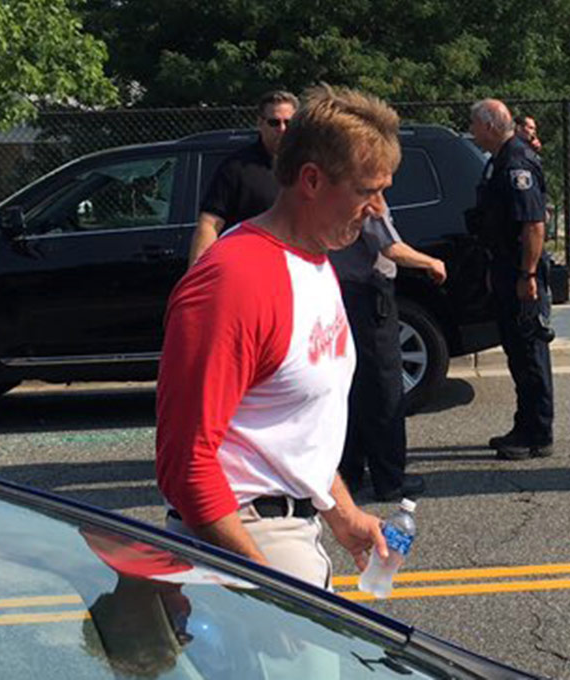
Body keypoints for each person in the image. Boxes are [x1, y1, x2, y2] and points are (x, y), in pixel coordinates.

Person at [154, 86, 392, 589]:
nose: (378, 207)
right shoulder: (234, 280)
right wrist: (268, 589)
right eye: (367, 189)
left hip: (286, 533)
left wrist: (341, 514)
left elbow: (290, 423)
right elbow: (186, 463)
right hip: (247, 542)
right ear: (312, 180)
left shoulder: (316, 259)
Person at [331, 205, 447, 503]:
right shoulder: (367, 202)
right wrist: (430, 262)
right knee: (385, 390)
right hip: (369, 297)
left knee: (353, 387)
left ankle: (349, 473)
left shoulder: (335, 191)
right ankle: (390, 480)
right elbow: (391, 248)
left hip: (343, 293)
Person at [467, 97, 554, 461]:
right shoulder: (500, 160)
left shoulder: (515, 162)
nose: (471, 131)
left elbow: (534, 224)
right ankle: (525, 424)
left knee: (530, 351)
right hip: (506, 268)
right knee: (517, 353)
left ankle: (538, 432)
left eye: (473, 124)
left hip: (522, 273)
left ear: (489, 125)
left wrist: (527, 274)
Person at [188, 90, 298, 265]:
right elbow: (210, 223)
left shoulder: (308, 167)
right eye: (274, 122)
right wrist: (198, 273)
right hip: (249, 266)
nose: (282, 129)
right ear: (260, 123)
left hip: (296, 267)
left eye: (288, 122)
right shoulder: (236, 167)